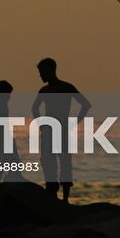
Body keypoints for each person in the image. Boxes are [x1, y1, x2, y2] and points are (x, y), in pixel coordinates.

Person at [31, 57, 91, 202]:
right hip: (49, 131)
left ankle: (64, 198)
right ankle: (53, 195)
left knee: (63, 162)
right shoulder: (45, 90)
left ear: (51, 70)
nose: (40, 75)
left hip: (60, 130)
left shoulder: (66, 87)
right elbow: (34, 108)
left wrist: (75, 122)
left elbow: (85, 104)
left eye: (42, 72)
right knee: (49, 162)